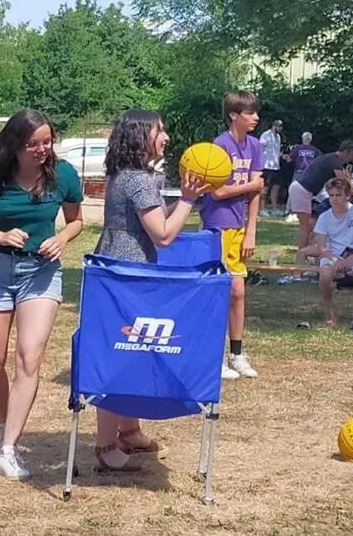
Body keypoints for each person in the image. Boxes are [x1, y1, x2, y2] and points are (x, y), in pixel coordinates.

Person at [0, 108, 84, 480]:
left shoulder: (64, 175)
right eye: (34, 143)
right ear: (15, 144)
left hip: (40, 273)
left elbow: (76, 221)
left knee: (29, 357)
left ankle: (8, 448)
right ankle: (4, 423)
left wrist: (61, 238)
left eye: (47, 141)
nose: (42, 149)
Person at [90, 109, 209, 471]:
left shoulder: (129, 175)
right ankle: (106, 446)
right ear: (142, 136)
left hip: (119, 269)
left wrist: (178, 203)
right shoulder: (139, 180)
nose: (167, 137)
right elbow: (163, 233)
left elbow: (153, 215)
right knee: (120, 356)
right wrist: (188, 200)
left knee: (132, 350)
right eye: (161, 130)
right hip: (126, 276)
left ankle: (129, 430)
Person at [201, 91, 263, 380]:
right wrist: (251, 186)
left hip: (239, 229)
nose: (256, 118)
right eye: (250, 113)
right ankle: (213, 357)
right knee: (223, 292)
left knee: (238, 293)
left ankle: (237, 354)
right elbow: (218, 192)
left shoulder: (255, 146)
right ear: (233, 115)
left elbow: (257, 193)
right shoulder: (219, 146)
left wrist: (251, 231)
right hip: (217, 225)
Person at [297, 178, 353, 329]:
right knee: (325, 274)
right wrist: (334, 259)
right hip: (332, 254)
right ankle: (329, 314)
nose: (334, 199)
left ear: (347, 195)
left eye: (338, 195)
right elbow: (321, 246)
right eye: (331, 195)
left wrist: (352, 259)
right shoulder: (324, 217)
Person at [287, 140, 353, 252]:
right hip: (302, 190)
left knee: (311, 224)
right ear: (345, 152)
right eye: (351, 156)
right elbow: (345, 183)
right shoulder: (335, 161)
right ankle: (302, 253)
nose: (351, 159)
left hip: (305, 191)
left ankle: (309, 249)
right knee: (305, 225)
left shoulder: (333, 160)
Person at [259, 119, 285, 215]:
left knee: (276, 187)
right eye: (279, 126)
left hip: (275, 166)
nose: (280, 128)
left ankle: (274, 209)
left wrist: (282, 155)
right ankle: (262, 208)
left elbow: (276, 151)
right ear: (274, 126)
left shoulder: (278, 137)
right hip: (266, 166)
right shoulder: (265, 135)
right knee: (265, 188)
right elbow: (260, 148)